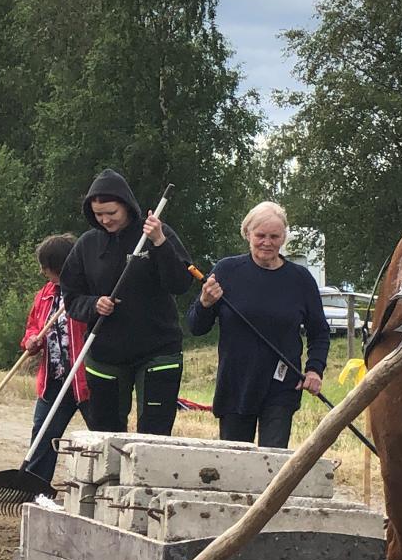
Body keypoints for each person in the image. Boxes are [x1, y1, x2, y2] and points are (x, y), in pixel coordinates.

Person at [187, 200, 330, 447]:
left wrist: (314, 369)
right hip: (236, 384)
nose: (267, 242)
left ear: (284, 237)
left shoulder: (300, 279)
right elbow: (196, 327)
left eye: (274, 236)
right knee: (235, 461)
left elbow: (319, 331)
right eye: (260, 235)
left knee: (272, 461)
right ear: (247, 234)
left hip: (281, 385)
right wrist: (205, 303)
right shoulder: (227, 270)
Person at [60, 169, 192, 435]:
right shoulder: (87, 245)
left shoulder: (159, 233)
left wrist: (159, 243)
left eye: (112, 213)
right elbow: (71, 297)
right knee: (104, 433)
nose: (106, 220)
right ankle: (108, 479)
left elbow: (181, 283)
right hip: (105, 353)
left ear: (127, 206)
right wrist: (94, 304)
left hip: (158, 349)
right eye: (99, 215)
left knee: (154, 434)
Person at [19, 236, 90, 483]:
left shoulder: (87, 290)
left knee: (103, 436)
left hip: (87, 381)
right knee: (42, 436)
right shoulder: (45, 295)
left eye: (45, 265)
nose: (42, 271)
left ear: (60, 266)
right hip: (54, 379)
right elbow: (32, 327)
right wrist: (31, 340)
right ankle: (31, 487)